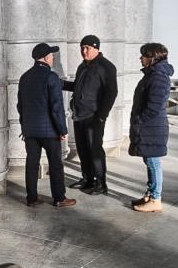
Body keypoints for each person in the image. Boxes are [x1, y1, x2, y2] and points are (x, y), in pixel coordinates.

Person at [17, 43, 76, 208]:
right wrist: (62, 130)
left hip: (30, 131)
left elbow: (20, 106)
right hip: (50, 131)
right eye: (51, 56)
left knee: (32, 164)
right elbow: (57, 107)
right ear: (46, 58)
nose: (52, 58)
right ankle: (59, 198)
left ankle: (31, 199)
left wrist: (24, 127)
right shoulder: (51, 77)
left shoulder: (25, 77)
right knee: (55, 164)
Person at [62, 34, 118, 195]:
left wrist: (101, 116)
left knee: (95, 150)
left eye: (87, 48)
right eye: (82, 48)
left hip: (94, 117)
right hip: (79, 114)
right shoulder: (82, 66)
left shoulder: (106, 66)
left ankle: (101, 183)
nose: (84, 51)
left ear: (96, 48)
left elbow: (111, 92)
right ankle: (88, 179)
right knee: (82, 149)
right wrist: (60, 84)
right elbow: (77, 87)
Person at [129, 43, 173, 213]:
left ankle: (156, 199)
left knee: (153, 162)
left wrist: (139, 120)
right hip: (149, 127)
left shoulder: (158, 77)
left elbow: (154, 106)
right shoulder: (153, 75)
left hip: (151, 127)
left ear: (152, 58)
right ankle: (150, 195)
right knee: (149, 161)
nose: (140, 58)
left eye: (144, 55)